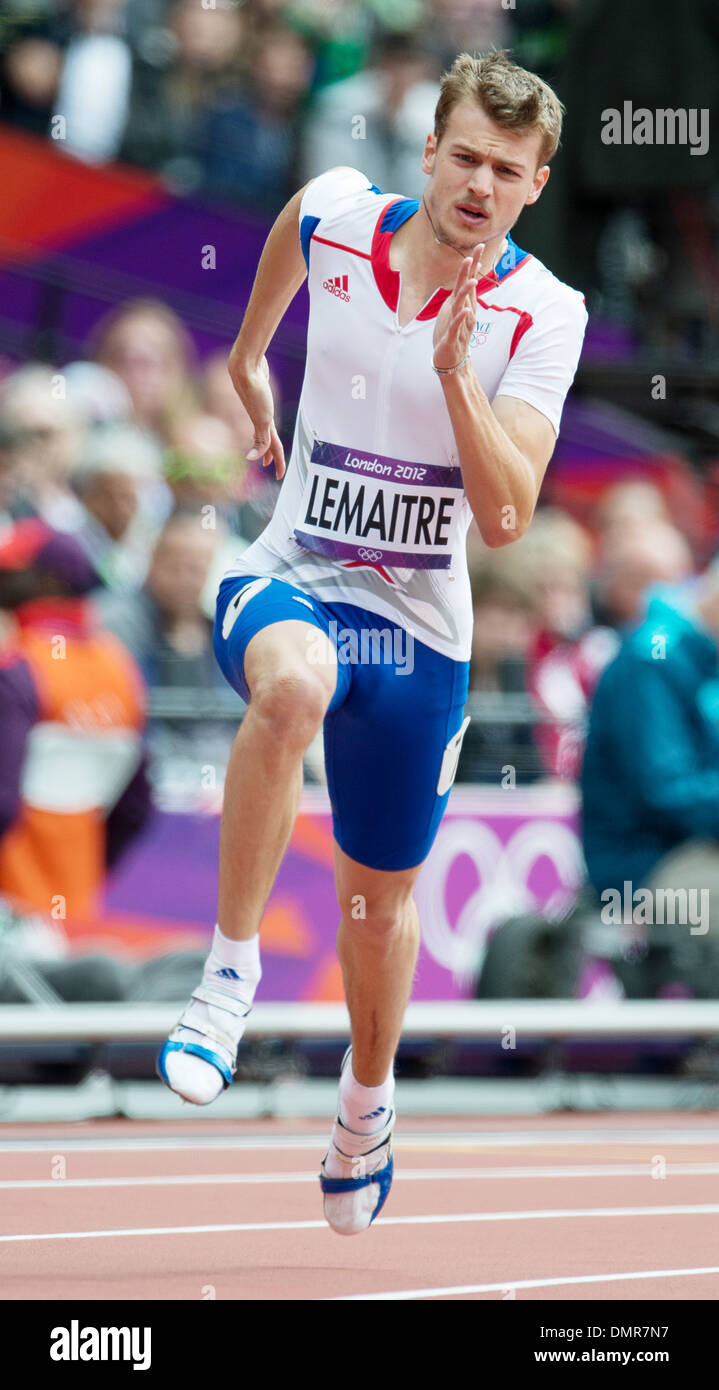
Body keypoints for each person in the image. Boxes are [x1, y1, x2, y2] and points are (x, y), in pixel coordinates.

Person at [157, 50, 588, 1235]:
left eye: (506, 170)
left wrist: (457, 377)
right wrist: (248, 357)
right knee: (288, 685)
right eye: (463, 158)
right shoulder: (346, 217)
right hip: (291, 572)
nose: (479, 185)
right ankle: (226, 976)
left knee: (374, 908)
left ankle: (365, 1102)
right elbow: (294, 226)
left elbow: (506, 517)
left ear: (534, 183)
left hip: (418, 629)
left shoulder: (543, 314)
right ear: (428, 151)